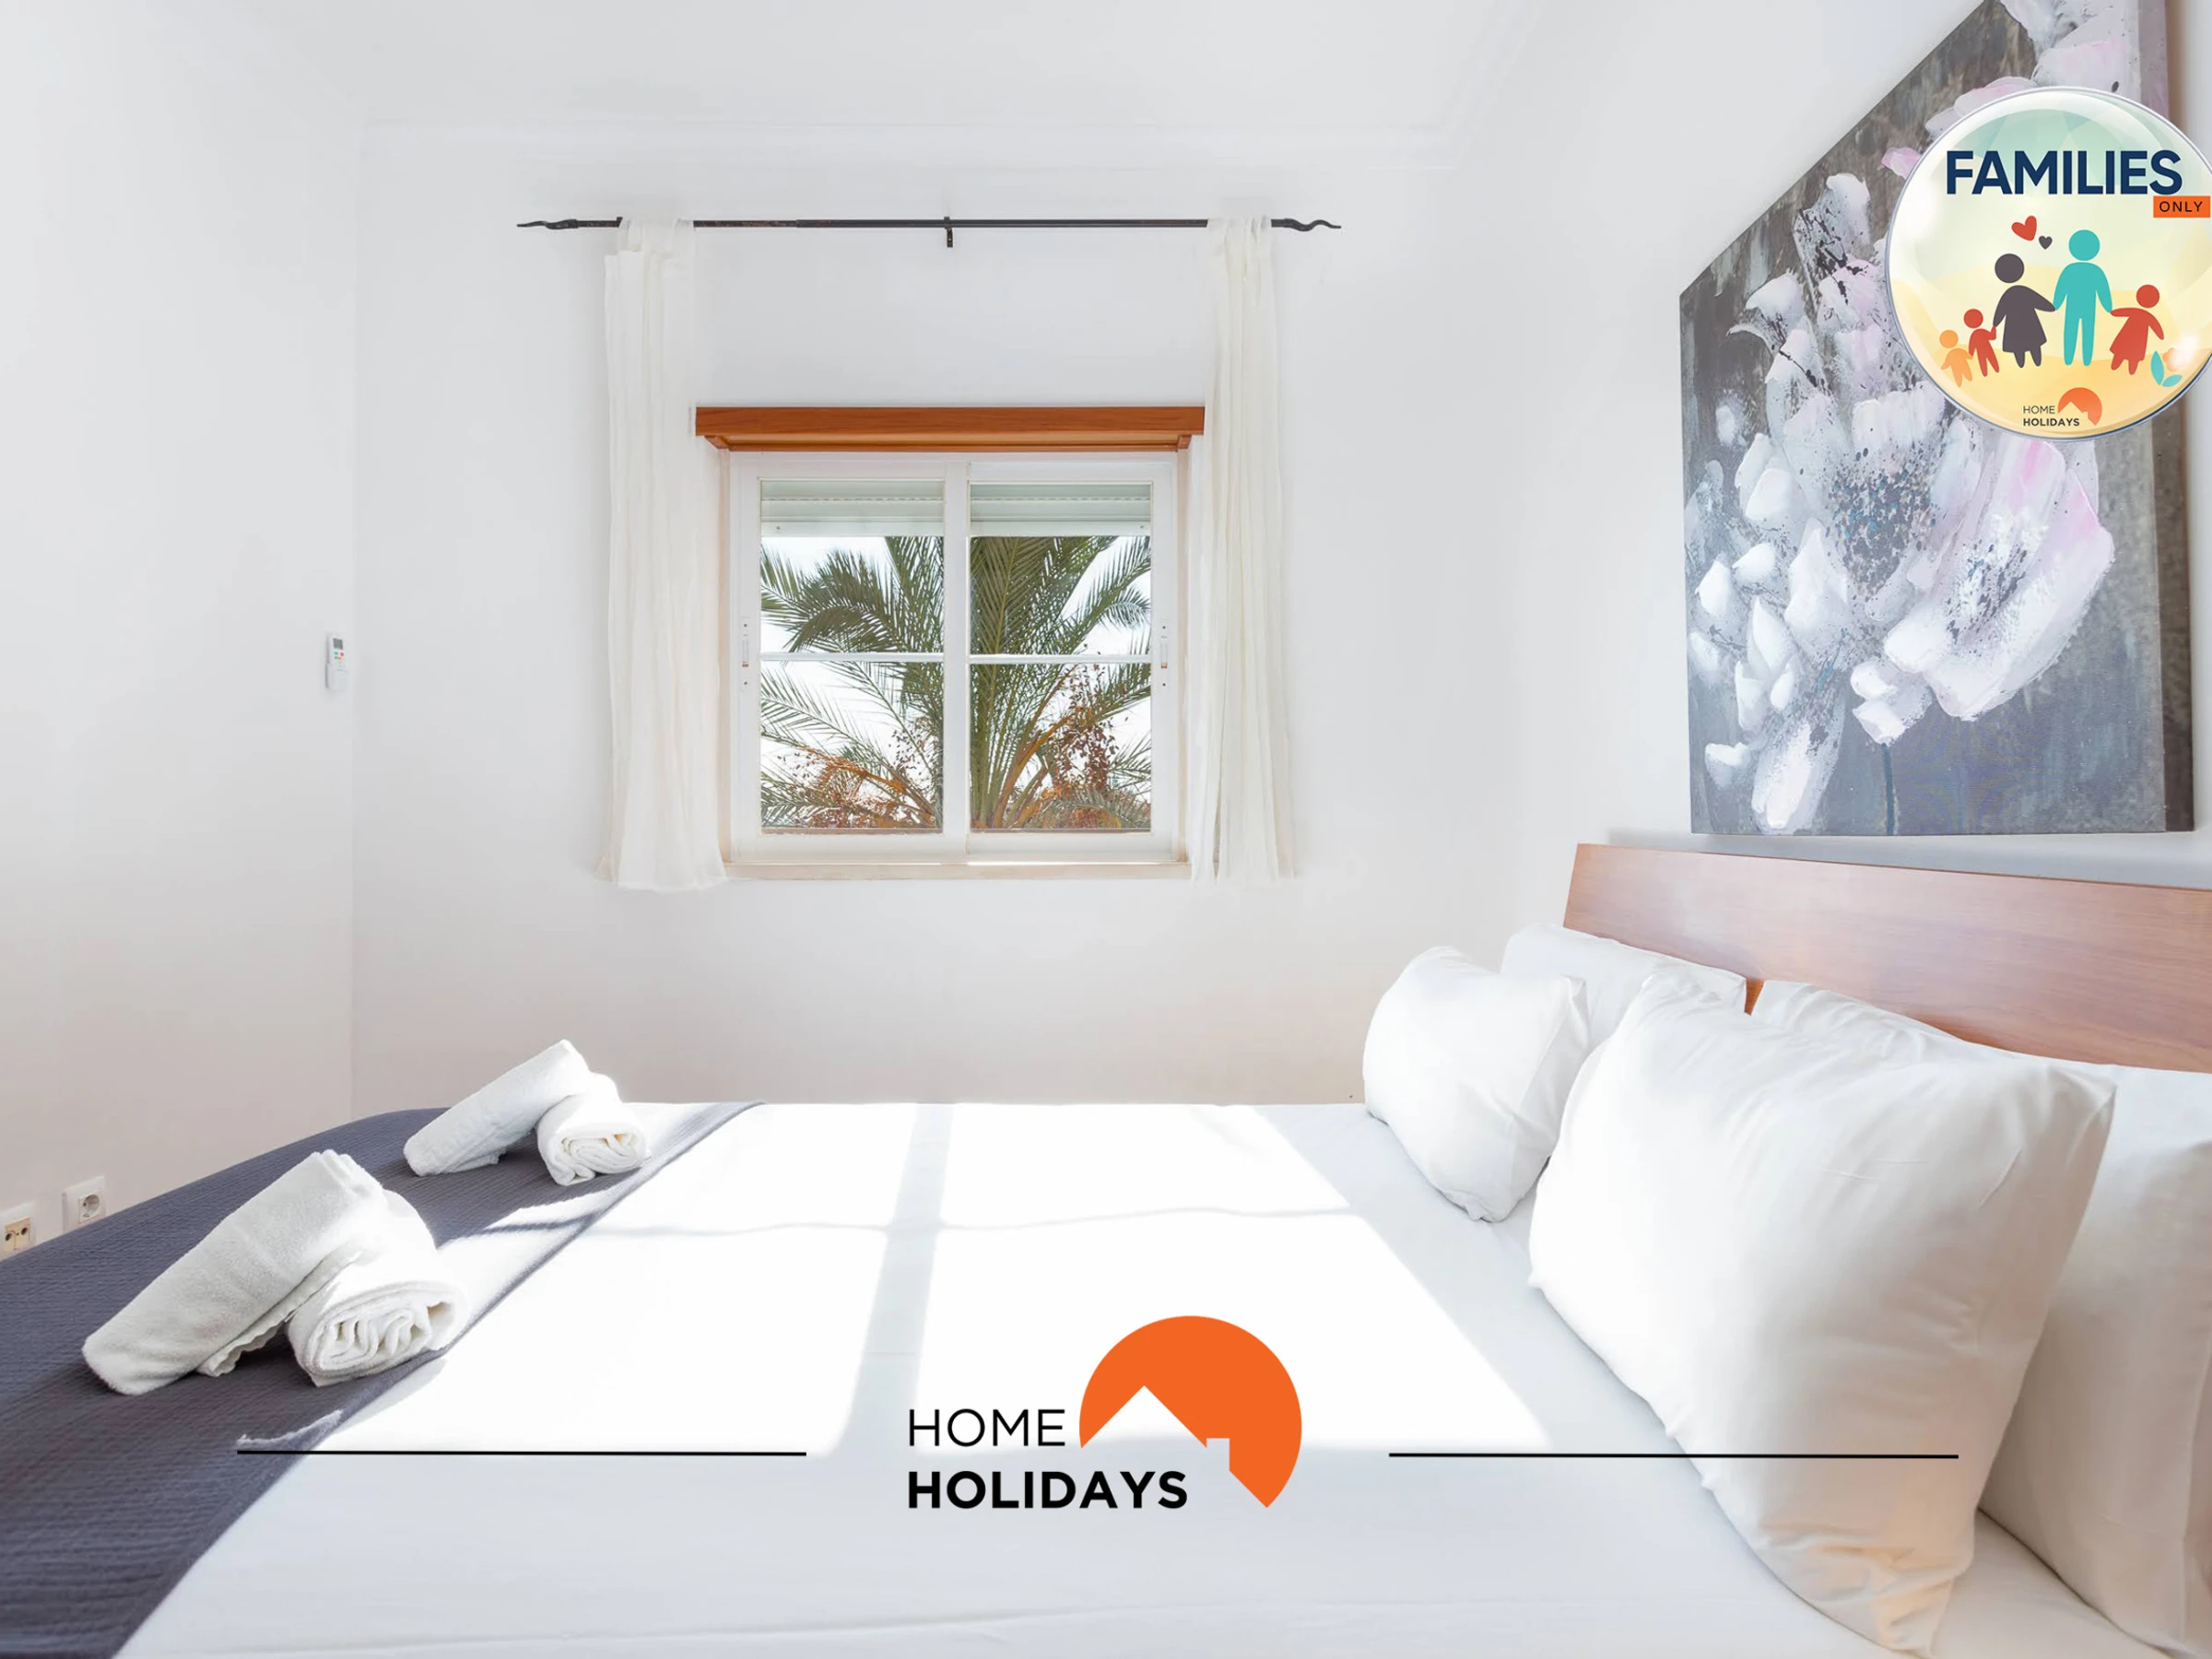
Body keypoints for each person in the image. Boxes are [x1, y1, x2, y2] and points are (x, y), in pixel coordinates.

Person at [2050, 229, 2113, 366]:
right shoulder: (2096, 271)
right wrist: (2108, 307)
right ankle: (2087, 360)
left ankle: (2068, 359)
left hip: (2072, 308)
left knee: (2070, 331)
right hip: (2089, 308)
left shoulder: (2069, 269)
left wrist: (2056, 305)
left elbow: (2061, 289)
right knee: (2088, 333)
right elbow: (2103, 291)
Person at [1991, 253, 2055, 367]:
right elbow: (2039, 301)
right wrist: (2050, 307)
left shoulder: (2008, 294)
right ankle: (2037, 362)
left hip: (2013, 326)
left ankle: (2021, 364)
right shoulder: (2024, 291)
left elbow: (2001, 310)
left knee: (2018, 347)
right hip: (2030, 323)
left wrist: (1995, 323)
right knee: (2034, 344)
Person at [2107, 284, 2164, 375]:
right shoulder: (2148, 316)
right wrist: (2160, 335)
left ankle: (2119, 367)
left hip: (2128, 339)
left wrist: (2113, 312)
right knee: (2131, 357)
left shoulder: (2138, 313)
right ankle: (2128, 370)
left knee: (2122, 353)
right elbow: (2157, 328)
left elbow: (2120, 312)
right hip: (2137, 342)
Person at [1964, 309, 2000, 376]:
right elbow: (1993, 337)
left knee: (1983, 363)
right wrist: (1994, 328)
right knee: (1992, 361)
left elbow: (1972, 346)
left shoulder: (1974, 334)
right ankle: (1995, 370)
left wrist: (1971, 354)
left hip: (1981, 351)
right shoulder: (1982, 331)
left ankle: (1986, 373)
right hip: (1988, 349)